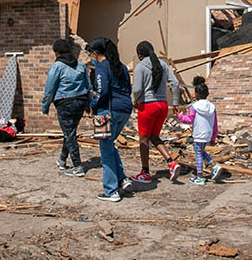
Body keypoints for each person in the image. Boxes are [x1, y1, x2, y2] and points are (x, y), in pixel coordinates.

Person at [87, 37, 134, 202]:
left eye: (90, 53)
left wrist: (93, 104)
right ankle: (122, 179)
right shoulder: (121, 67)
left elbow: (101, 90)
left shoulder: (101, 67)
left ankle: (111, 191)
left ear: (96, 52)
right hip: (125, 109)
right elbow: (128, 88)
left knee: (105, 151)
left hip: (107, 111)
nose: (90, 56)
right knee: (110, 145)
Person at [130, 40, 181, 184]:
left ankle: (145, 172)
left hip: (147, 106)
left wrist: (136, 101)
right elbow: (175, 83)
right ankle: (171, 162)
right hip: (163, 105)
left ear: (140, 55)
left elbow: (138, 89)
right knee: (154, 136)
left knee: (144, 139)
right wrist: (175, 102)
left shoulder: (140, 67)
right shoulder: (163, 64)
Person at [42, 38, 91, 177]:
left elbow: (50, 89)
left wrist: (45, 106)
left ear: (57, 53)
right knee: (70, 132)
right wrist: (88, 102)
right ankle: (62, 160)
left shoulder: (56, 67)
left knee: (69, 134)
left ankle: (77, 166)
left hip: (65, 104)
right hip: (80, 102)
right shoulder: (80, 65)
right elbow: (88, 86)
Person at [176, 76, 223, 185]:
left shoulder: (194, 107)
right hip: (208, 133)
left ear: (196, 94)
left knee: (198, 154)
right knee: (200, 151)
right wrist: (213, 137)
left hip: (198, 133)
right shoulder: (212, 107)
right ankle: (214, 166)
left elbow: (189, 120)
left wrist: (180, 115)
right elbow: (215, 123)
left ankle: (200, 176)